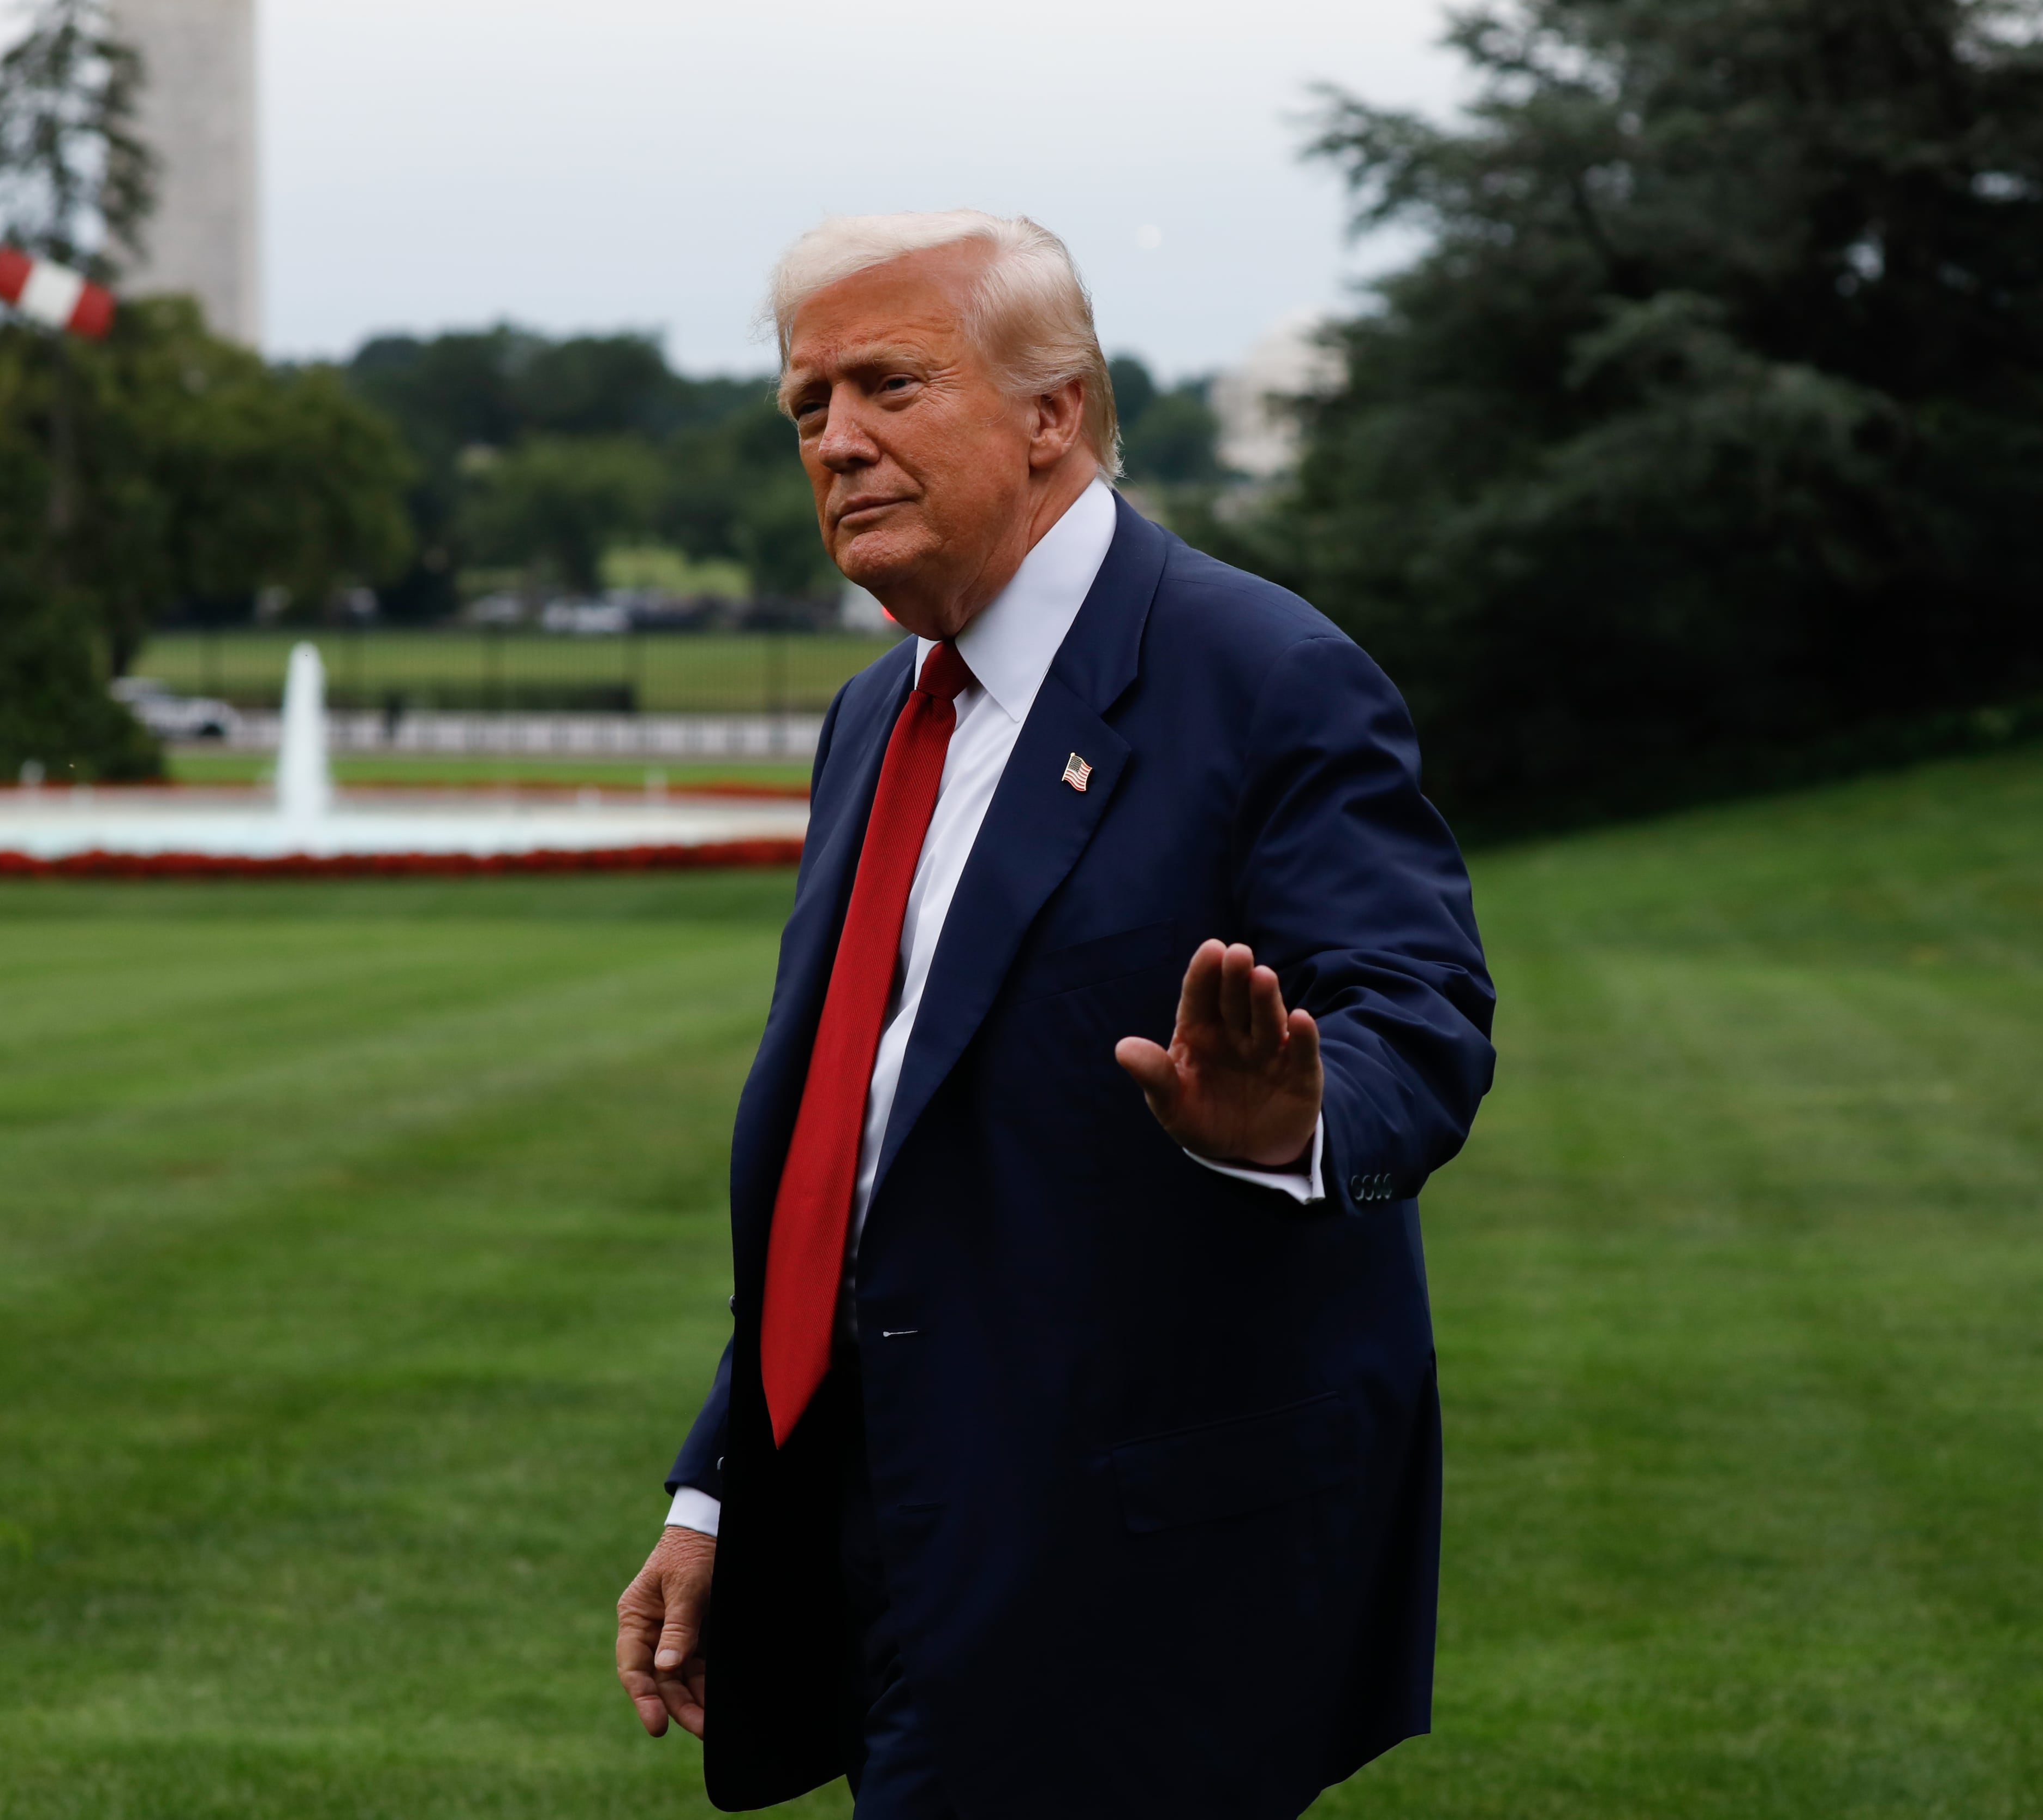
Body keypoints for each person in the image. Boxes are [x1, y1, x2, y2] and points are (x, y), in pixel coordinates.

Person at [613, 210, 1496, 1819]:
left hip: (1135, 1560)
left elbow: (1419, 1022)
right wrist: (722, 1486)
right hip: (895, 1528)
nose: (839, 442)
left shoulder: (1264, 674)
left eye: (890, 383)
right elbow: (859, 1160)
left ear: (1054, 414)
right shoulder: (881, 714)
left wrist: (1290, 1121)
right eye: (808, 408)